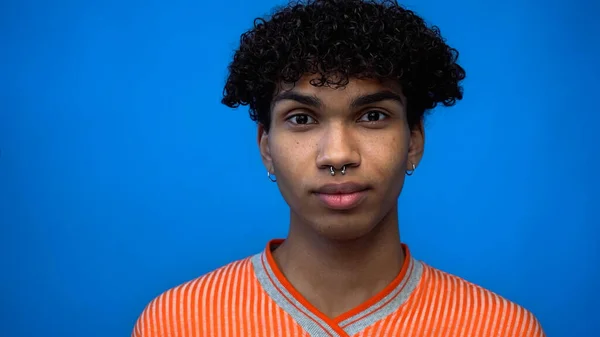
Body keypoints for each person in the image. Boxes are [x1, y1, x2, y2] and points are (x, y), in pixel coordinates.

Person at [132, 0, 545, 336]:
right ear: (266, 148)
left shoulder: (500, 327)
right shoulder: (176, 321)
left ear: (414, 140)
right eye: (301, 118)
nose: (337, 155)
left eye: (372, 116)